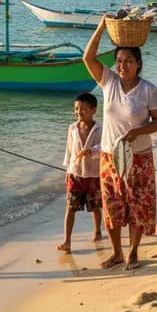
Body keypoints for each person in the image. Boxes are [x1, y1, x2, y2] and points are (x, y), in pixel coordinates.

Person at [83, 16, 157, 270]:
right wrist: (101, 26)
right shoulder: (108, 82)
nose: (122, 65)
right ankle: (117, 252)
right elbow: (88, 58)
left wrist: (137, 131)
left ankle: (133, 251)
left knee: (138, 205)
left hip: (138, 156)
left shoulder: (148, 90)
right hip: (109, 156)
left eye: (128, 61)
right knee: (112, 206)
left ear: (138, 64)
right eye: (119, 61)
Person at [58, 92, 103, 253]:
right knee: (70, 208)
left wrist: (90, 151)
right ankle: (67, 241)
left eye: (83, 109)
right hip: (75, 174)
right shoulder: (72, 128)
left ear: (93, 110)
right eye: (76, 109)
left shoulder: (99, 129)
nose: (79, 112)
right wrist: (67, 171)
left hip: (93, 175)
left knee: (95, 207)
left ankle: (98, 232)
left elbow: (104, 148)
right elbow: (69, 151)